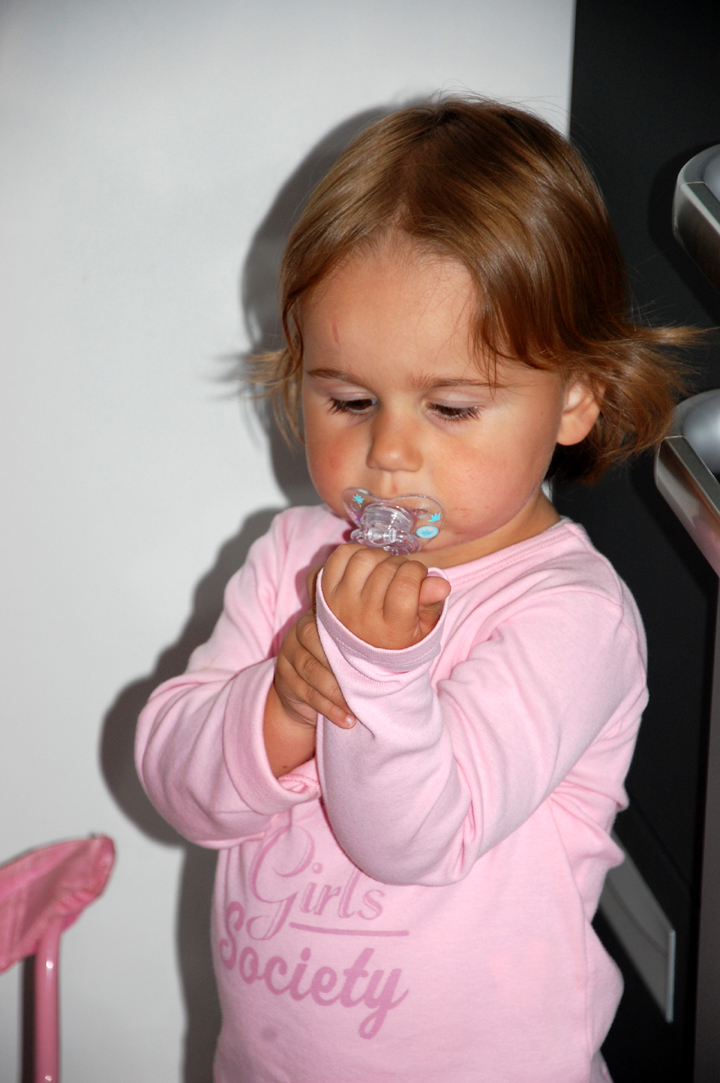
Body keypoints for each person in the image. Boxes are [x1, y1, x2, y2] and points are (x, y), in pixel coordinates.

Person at [136, 98, 694, 1082]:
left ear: (575, 397)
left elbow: (414, 839)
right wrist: (279, 704)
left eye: (451, 407)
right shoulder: (294, 556)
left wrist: (372, 669)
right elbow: (179, 786)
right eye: (350, 399)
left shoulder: (572, 616)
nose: (390, 452)